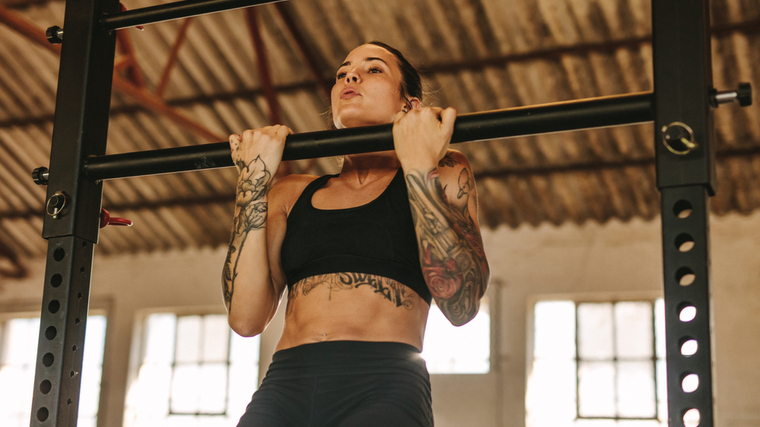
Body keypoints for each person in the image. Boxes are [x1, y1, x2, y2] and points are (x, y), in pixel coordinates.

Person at [222, 41, 490, 427]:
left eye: (374, 69)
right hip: (285, 385)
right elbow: (245, 320)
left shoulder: (443, 171)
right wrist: (252, 181)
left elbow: (461, 306)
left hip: (384, 385)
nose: (350, 76)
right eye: (342, 72)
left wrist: (417, 163)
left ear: (409, 106)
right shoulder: (290, 192)